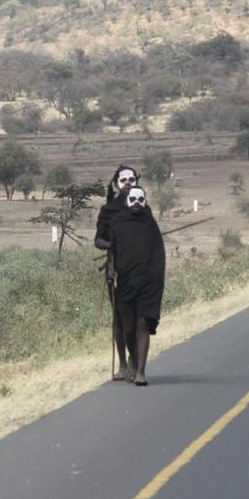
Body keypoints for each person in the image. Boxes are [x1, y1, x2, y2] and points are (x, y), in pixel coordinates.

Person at [110, 186, 165, 386]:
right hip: (126, 282)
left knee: (143, 324)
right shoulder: (118, 222)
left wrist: (156, 278)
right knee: (128, 328)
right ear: (127, 201)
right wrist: (111, 269)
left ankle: (141, 371)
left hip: (149, 283)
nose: (136, 203)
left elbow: (159, 254)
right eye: (133, 199)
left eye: (140, 199)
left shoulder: (150, 224)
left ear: (145, 201)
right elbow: (113, 250)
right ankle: (131, 361)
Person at [95, 165, 139, 380]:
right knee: (119, 319)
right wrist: (112, 243)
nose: (128, 183)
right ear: (115, 184)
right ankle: (123, 364)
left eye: (132, 179)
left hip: (140, 272)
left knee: (137, 320)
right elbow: (98, 240)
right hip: (115, 271)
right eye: (123, 180)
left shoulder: (141, 208)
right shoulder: (108, 211)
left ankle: (135, 360)